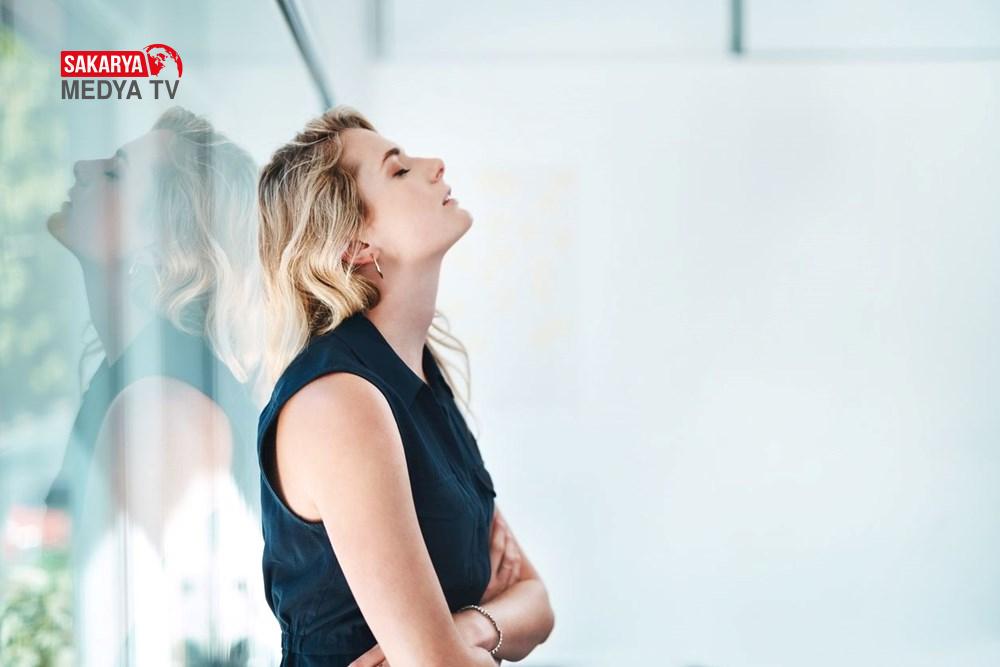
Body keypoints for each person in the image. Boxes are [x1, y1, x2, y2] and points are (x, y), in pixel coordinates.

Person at [255, 105, 556, 667]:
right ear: (356, 245)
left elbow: (537, 604)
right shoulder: (340, 401)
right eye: (398, 170)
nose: (435, 164)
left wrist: (470, 629)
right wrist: (472, 639)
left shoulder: (421, 373)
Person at [44, 106, 275, 665]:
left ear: (163, 242)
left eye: (115, 174)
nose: (82, 167)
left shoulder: (164, 405)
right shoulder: (139, 375)